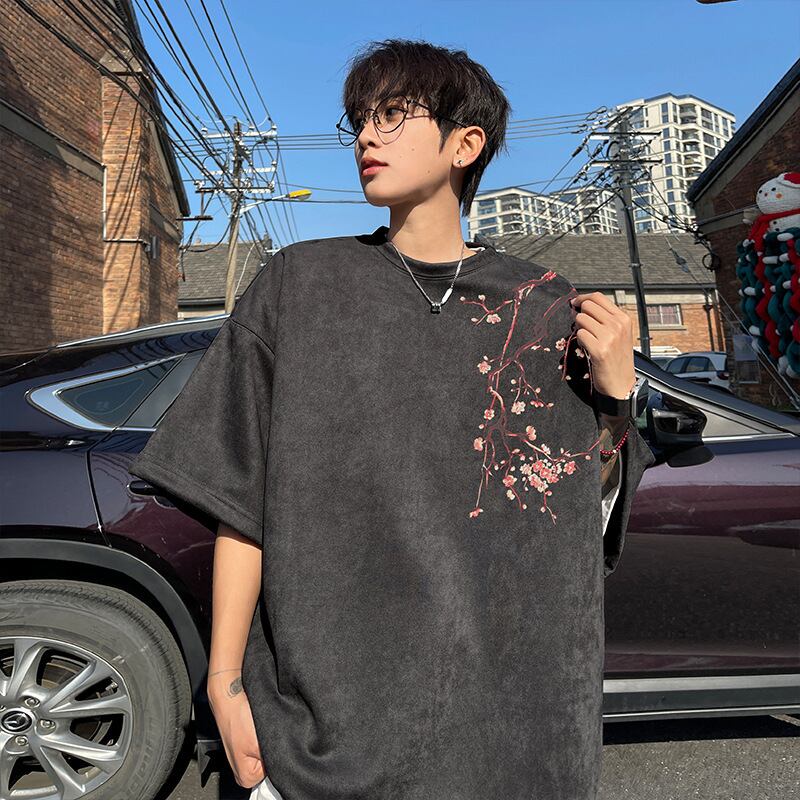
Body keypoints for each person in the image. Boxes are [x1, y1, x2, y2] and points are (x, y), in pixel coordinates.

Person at [128, 37, 655, 800]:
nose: (366, 137)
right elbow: (241, 493)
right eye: (360, 120)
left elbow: (572, 507)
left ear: (465, 145)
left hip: (504, 719)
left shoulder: (541, 307)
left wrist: (616, 399)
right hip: (327, 714)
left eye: (394, 115)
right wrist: (225, 678)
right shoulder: (302, 286)